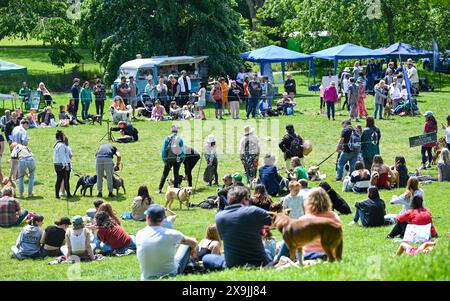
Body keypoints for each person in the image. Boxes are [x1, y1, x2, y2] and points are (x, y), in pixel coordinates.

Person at [202, 186, 273, 270]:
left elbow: (222, 238)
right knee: (268, 252)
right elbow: (276, 220)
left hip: (232, 263)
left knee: (206, 258)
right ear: (244, 198)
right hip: (259, 262)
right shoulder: (254, 211)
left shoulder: (219, 217)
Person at [274, 187, 341, 262]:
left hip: (308, 255)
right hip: (331, 253)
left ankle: (276, 260)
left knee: (286, 240)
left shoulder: (304, 220)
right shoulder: (335, 217)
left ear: (308, 202)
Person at [136, 204, 198, 280]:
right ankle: (193, 263)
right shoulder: (171, 233)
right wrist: (192, 250)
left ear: (147, 218)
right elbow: (194, 242)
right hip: (171, 274)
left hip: (146, 277)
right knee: (188, 244)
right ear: (163, 219)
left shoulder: (139, 234)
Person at [157, 124, 185, 193]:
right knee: (176, 174)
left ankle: (159, 189)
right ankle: (176, 189)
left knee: (164, 174)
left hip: (168, 160)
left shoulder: (167, 138)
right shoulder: (180, 139)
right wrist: (182, 159)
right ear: (177, 131)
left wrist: (164, 159)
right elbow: (182, 151)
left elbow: (164, 150)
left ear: (171, 131)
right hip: (177, 159)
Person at [53, 130, 72, 199]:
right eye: (63, 135)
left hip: (57, 164)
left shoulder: (57, 144)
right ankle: (68, 194)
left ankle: (57, 194)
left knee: (59, 179)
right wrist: (66, 164)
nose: (64, 136)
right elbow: (62, 156)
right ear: (60, 137)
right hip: (62, 165)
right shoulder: (61, 145)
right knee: (65, 180)